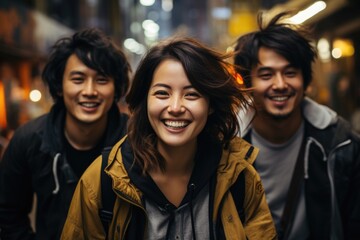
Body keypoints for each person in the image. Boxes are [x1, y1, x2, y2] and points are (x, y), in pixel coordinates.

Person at [61, 37, 277, 239]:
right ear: (145, 101)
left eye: (191, 94)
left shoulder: (239, 177)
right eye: (162, 93)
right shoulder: (101, 181)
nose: (175, 108)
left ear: (210, 105)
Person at [233, 12, 360, 239]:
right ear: (248, 83)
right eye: (266, 74)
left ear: (305, 81)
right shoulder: (226, 146)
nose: (280, 85)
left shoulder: (341, 143)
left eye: (290, 73)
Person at [0, 28, 131, 239]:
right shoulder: (28, 140)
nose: (89, 91)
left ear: (115, 89)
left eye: (102, 80)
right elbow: (8, 215)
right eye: (78, 79)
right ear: (60, 86)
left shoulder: (135, 140)